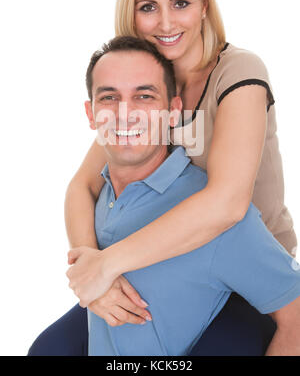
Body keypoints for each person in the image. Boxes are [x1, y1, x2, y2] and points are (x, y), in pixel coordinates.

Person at [28, 0, 297, 355]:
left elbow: (227, 204)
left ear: (205, 5)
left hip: (240, 274)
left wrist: (109, 264)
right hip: (162, 260)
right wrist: (94, 277)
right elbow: (82, 187)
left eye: (181, 3)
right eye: (148, 7)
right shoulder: (144, 87)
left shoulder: (240, 72)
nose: (165, 23)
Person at [68, 35, 300, 356]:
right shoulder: (99, 198)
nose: (126, 113)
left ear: (173, 111)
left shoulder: (220, 222)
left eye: (145, 96)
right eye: (109, 97)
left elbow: (297, 320)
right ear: (90, 113)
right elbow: (78, 191)